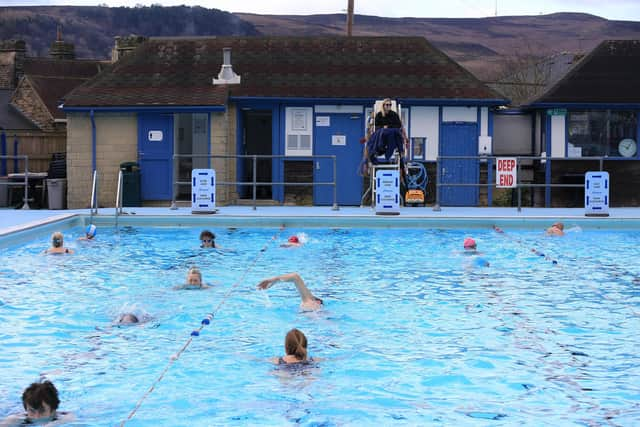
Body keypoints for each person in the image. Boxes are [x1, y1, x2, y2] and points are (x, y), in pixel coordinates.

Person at [0, 380, 74, 426]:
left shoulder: (63, 417)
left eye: (42, 411)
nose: (36, 416)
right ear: (26, 409)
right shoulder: (18, 419)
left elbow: (70, 418)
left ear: (53, 409)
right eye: (32, 410)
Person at [257, 272, 322, 311]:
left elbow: (295, 276)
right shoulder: (313, 305)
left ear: (318, 302)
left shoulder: (309, 301)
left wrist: (271, 280)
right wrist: (274, 281)